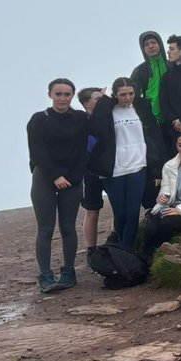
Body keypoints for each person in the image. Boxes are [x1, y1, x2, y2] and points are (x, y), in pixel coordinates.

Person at [89, 77, 168, 249]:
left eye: (131, 93)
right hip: (115, 170)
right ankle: (119, 250)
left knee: (133, 213)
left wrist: (157, 170)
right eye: (123, 94)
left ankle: (126, 252)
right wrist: (103, 102)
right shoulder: (109, 111)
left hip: (138, 167)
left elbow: (155, 139)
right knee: (120, 214)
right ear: (115, 95)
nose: (127, 97)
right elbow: (94, 128)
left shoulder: (141, 109)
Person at [27, 79, 89, 293]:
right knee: (45, 229)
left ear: (72, 96)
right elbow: (37, 151)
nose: (62, 98)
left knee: (68, 227)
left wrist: (71, 177)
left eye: (67, 94)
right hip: (45, 177)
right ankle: (45, 275)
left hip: (72, 178)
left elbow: (84, 151)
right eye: (58, 94)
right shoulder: (38, 120)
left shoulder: (81, 118)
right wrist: (55, 176)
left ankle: (69, 272)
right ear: (50, 95)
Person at [77, 86, 106, 252]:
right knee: (92, 210)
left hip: (112, 169)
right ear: (87, 103)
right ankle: (91, 250)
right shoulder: (81, 121)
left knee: (119, 208)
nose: (103, 102)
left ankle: (115, 241)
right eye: (98, 99)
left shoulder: (109, 117)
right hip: (91, 172)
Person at [130, 31, 168, 129]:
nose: (150, 46)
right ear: (143, 49)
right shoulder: (139, 70)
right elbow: (133, 97)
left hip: (175, 119)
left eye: (153, 42)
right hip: (152, 121)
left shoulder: (172, 65)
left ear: (160, 44)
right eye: (146, 44)